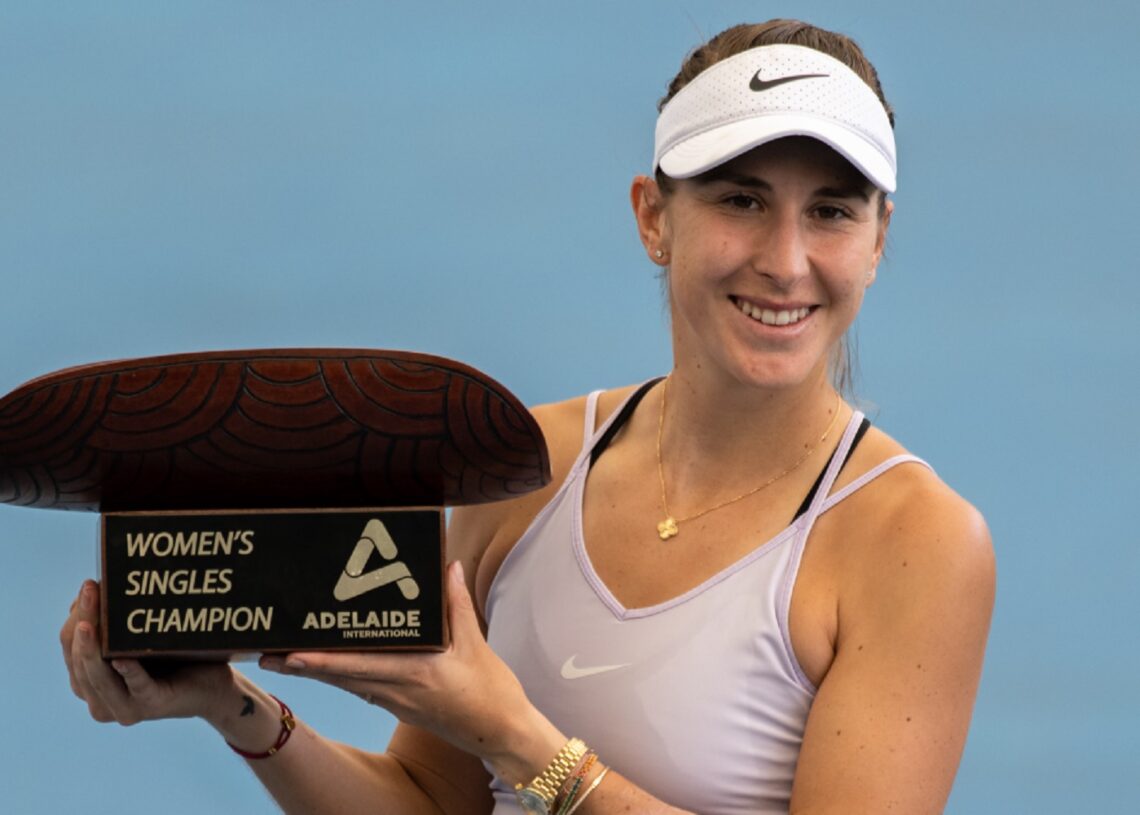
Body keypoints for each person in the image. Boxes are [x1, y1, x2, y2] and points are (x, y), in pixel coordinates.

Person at [61, 18, 995, 815]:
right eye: (741, 200)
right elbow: (431, 801)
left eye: (831, 211)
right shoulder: (526, 460)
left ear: (877, 244)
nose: (786, 260)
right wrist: (233, 705)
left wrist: (516, 737)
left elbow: (503, 745)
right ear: (652, 217)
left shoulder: (917, 542)